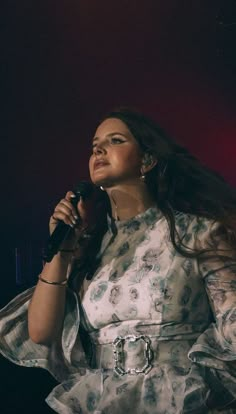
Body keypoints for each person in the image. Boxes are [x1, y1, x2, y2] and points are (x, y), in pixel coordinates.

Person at [0, 108, 236, 414]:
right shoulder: (90, 248)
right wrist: (63, 250)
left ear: (147, 160)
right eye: (95, 144)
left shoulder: (198, 232)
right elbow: (41, 333)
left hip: (181, 400)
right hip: (106, 402)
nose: (98, 149)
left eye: (115, 140)